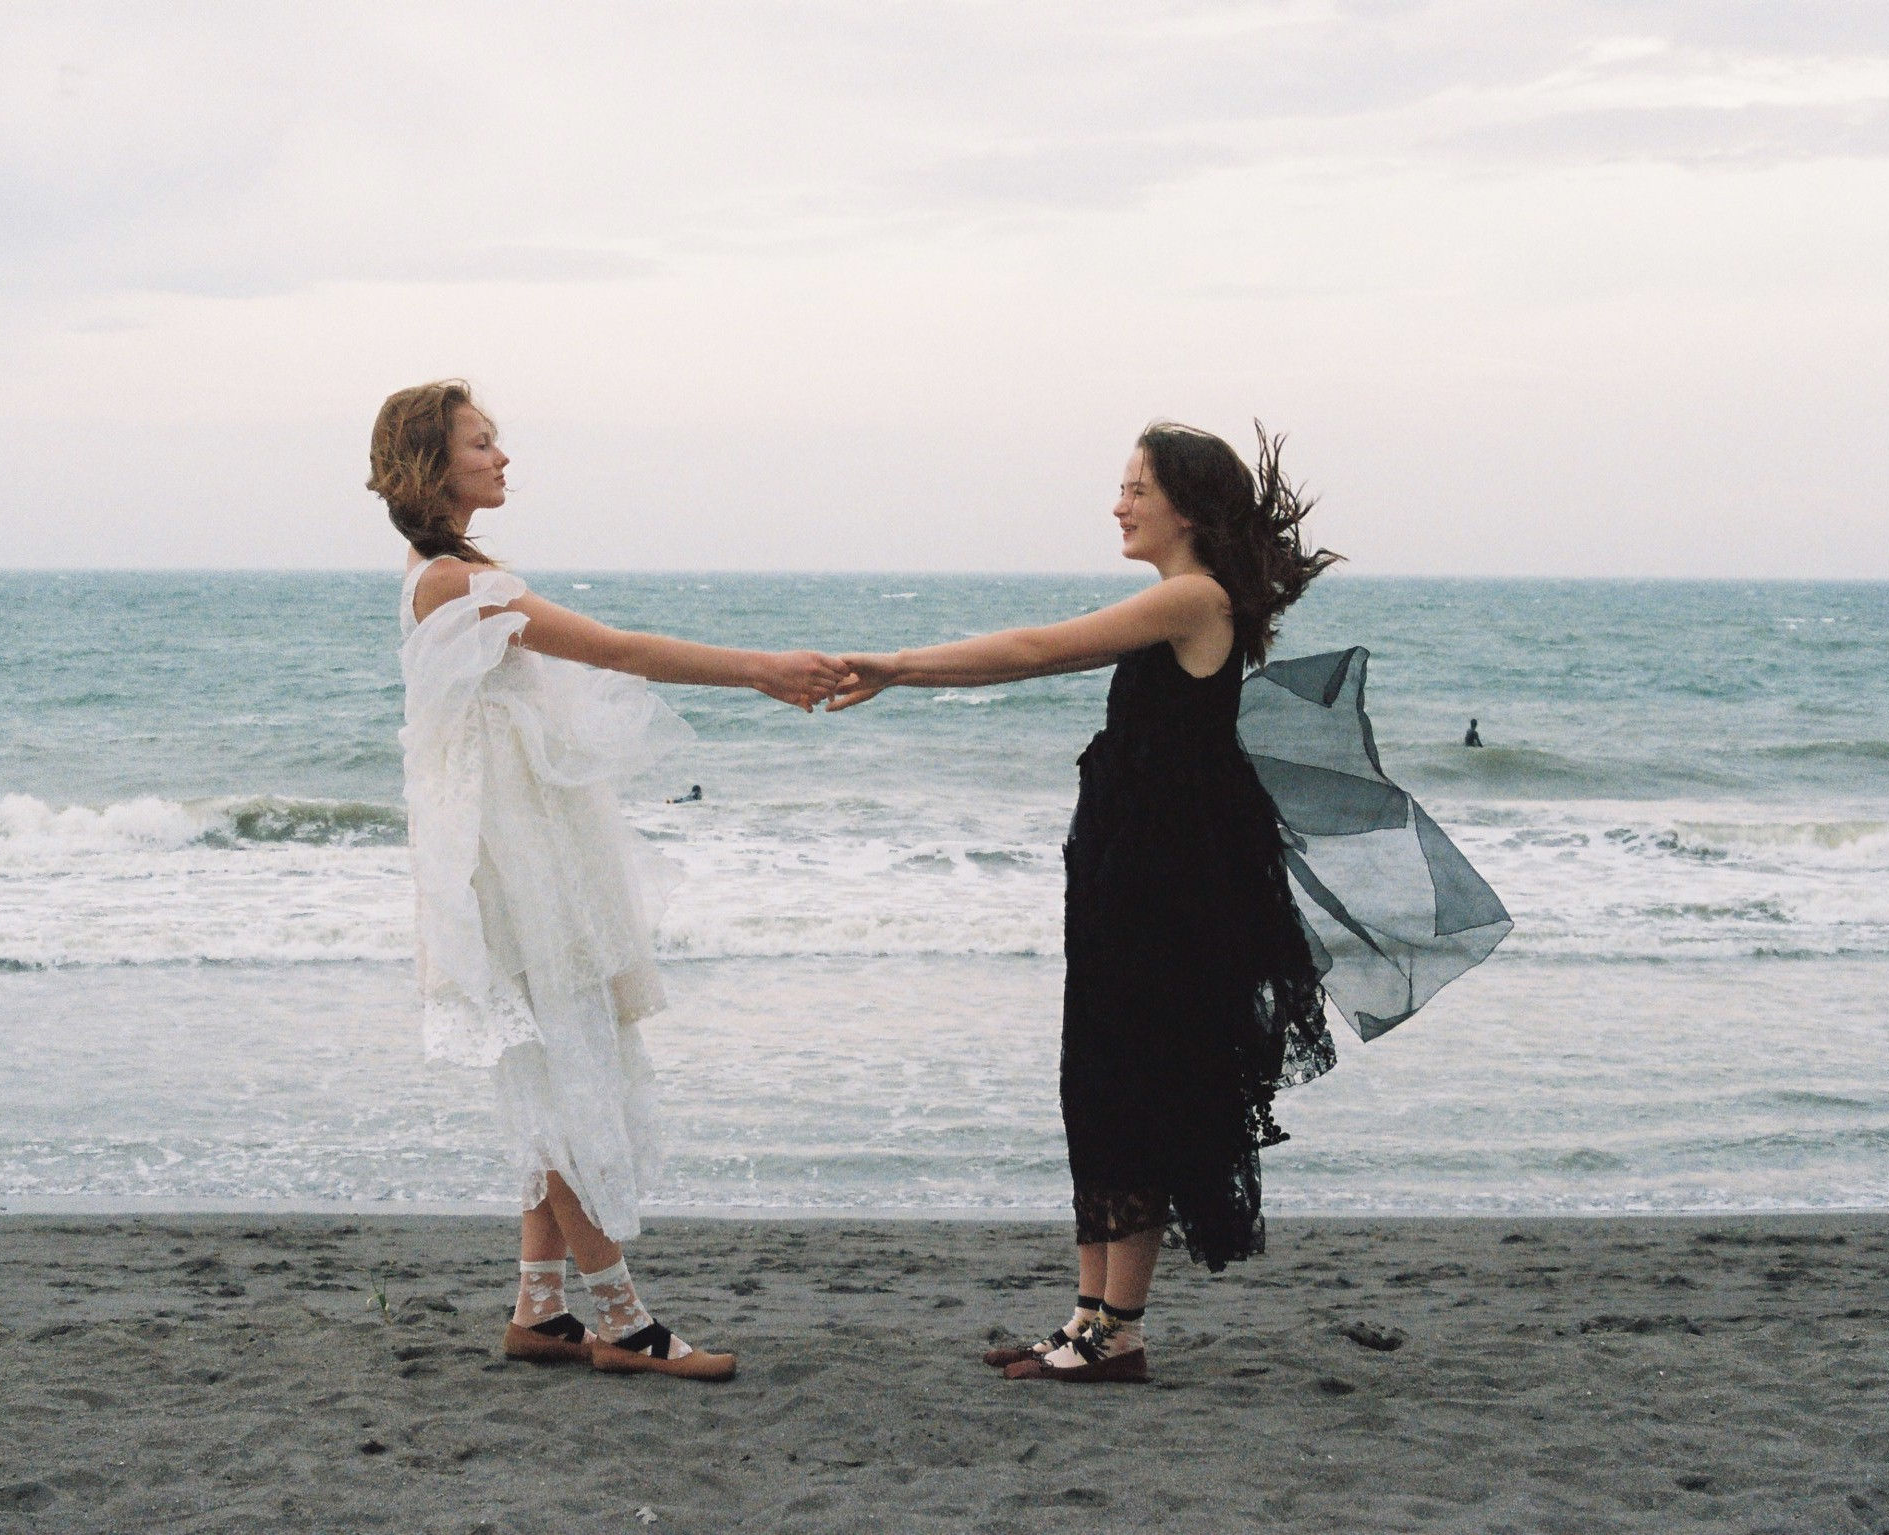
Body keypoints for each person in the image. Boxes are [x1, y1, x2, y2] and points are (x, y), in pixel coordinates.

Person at [830, 422, 1341, 1384]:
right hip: (1128, 875)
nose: (1118, 502)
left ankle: (1118, 1331)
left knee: (1135, 1091)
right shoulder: (1176, 599)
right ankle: (1087, 1318)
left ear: (1185, 506)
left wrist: (896, 666)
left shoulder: (1193, 598)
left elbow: (1034, 649)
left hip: (1167, 890)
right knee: (1098, 1088)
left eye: (1135, 488)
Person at [376, 380, 845, 1382]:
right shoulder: (458, 586)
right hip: (513, 864)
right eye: (480, 444)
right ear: (431, 462)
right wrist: (759, 668)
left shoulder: (452, 574)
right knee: (561, 1077)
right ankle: (622, 1319)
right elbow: (618, 650)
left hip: (519, 849)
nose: (502, 458)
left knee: (557, 1063)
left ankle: (539, 1307)